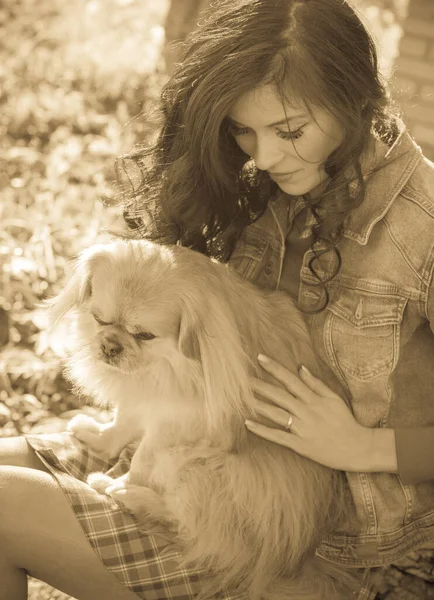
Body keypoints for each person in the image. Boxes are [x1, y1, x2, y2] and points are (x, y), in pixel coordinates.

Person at [1, 0, 434, 599]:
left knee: (2, 509)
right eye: (243, 129)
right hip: (200, 469)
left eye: (289, 130)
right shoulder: (261, 194)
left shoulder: (424, 231)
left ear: (358, 99)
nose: (266, 155)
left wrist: (364, 446)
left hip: (348, 558)